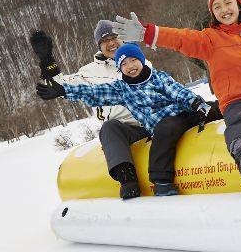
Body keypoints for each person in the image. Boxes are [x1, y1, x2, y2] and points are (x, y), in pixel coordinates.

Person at [110, 0, 241, 192]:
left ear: (239, 5)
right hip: (238, 100)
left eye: (228, 3)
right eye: (217, 7)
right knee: (238, 123)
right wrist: (147, 33)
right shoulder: (210, 39)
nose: (224, 9)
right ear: (213, 14)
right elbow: (181, 38)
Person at [36, 43, 210, 197]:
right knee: (117, 128)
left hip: (181, 114)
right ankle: (134, 178)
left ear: (141, 60)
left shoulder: (156, 74)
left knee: (213, 107)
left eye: (133, 60)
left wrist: (196, 103)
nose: (130, 66)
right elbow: (92, 92)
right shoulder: (118, 86)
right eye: (124, 64)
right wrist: (63, 90)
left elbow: (177, 91)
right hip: (154, 126)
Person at [30, 22, 153, 199]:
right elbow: (59, 86)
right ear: (99, 46)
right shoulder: (89, 72)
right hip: (125, 131)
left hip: (153, 120)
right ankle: (127, 179)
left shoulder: (139, 59)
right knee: (110, 127)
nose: (111, 43)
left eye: (113, 37)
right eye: (105, 40)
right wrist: (47, 60)